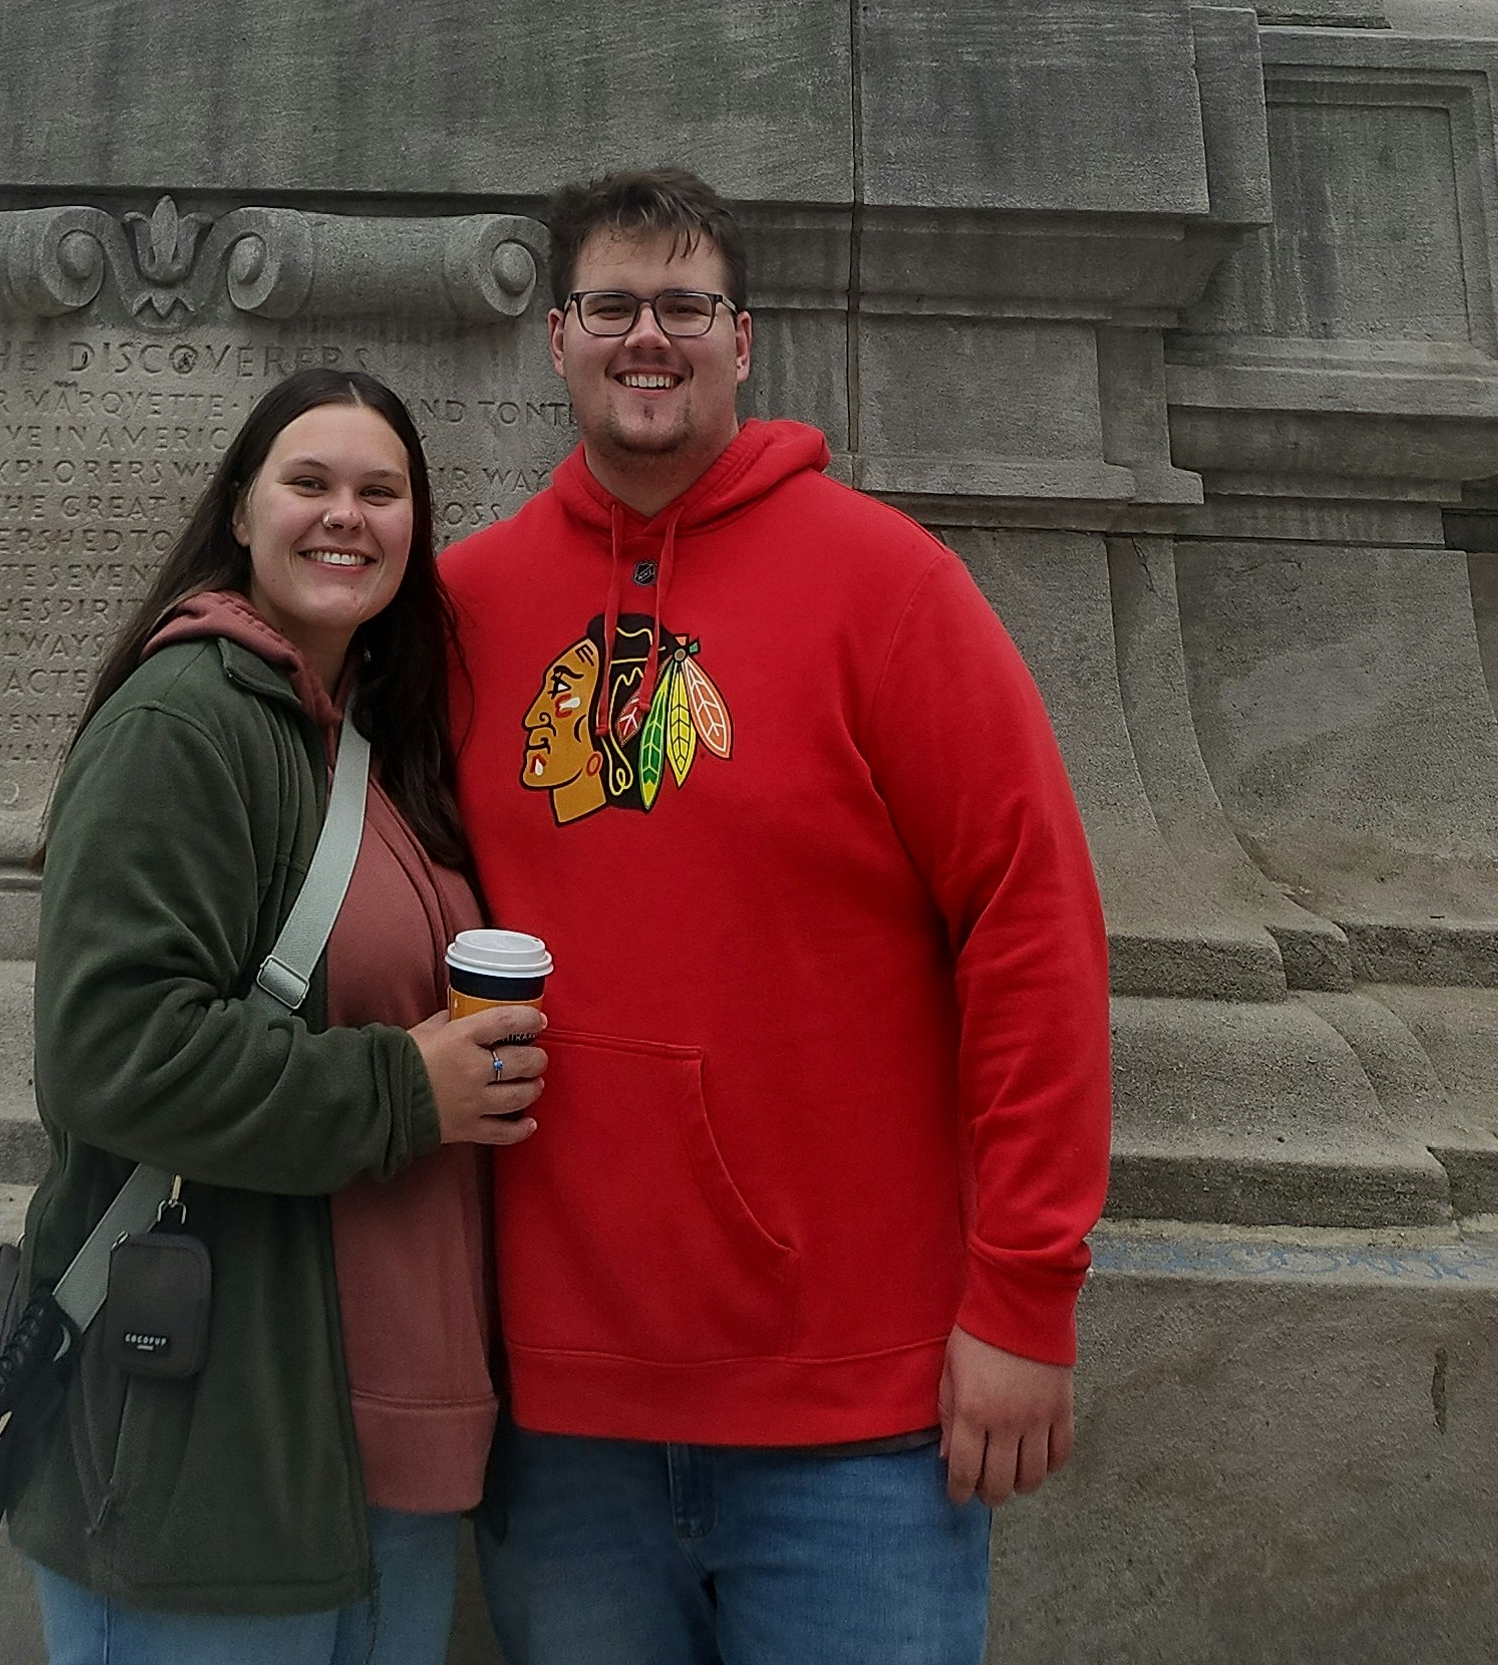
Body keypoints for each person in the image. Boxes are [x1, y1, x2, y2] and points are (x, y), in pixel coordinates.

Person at [441, 167, 1110, 1665]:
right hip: (559, 1424)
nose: (647, 338)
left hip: (858, 1426)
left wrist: (1024, 1300)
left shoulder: (892, 589)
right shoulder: (462, 612)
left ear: (746, 341)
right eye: (610, 306)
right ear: (555, 340)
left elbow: (1033, 934)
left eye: (685, 306)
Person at [9, 369, 549, 1661]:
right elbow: (111, 1054)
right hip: (223, 1460)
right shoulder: (183, 723)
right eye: (309, 482)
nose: (344, 516)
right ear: (240, 513)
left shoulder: (372, 740)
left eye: (382, 490)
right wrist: (404, 1091)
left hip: (396, 1458)